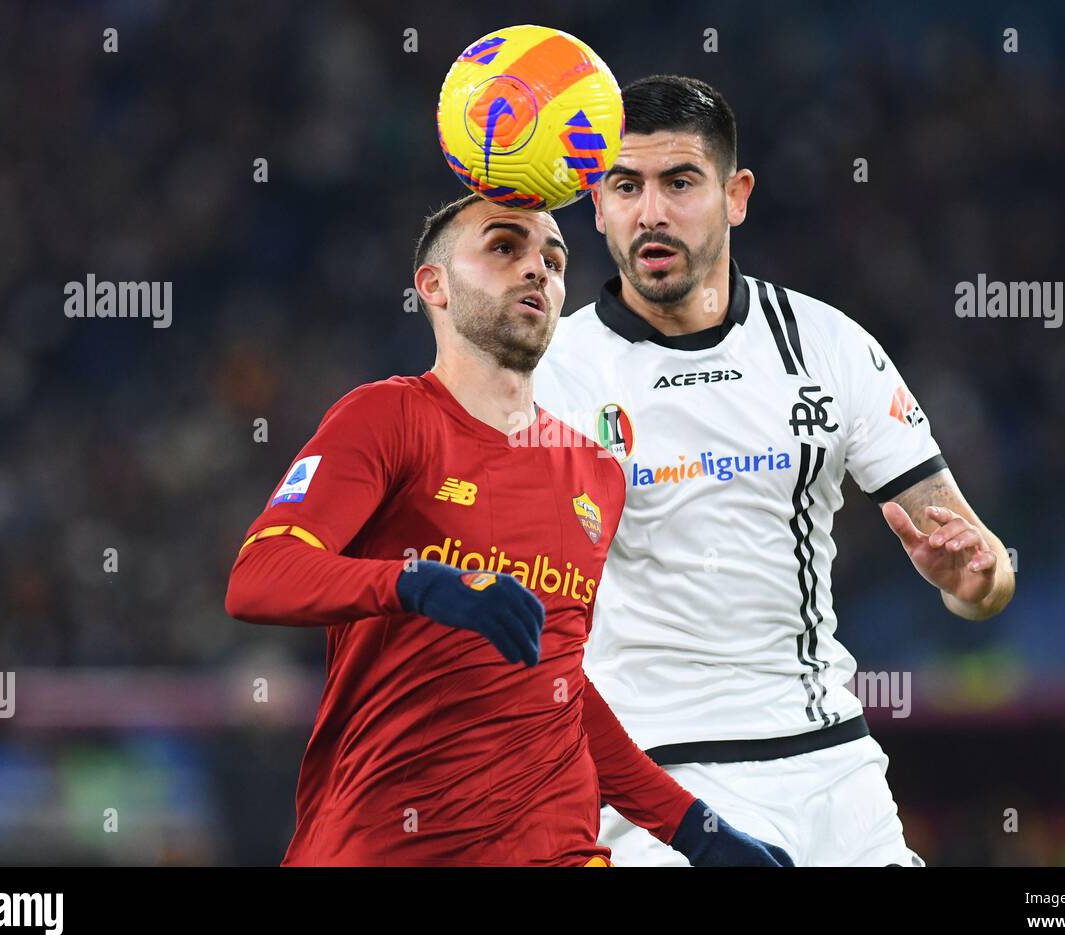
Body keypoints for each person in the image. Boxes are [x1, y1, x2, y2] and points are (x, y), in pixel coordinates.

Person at [225, 191, 793, 866]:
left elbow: (555, 685)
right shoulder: (385, 419)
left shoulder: (597, 475)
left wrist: (693, 829)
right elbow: (258, 579)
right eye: (504, 248)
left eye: (554, 260)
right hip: (384, 844)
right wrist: (418, 583)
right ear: (433, 286)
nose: (539, 271)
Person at [532, 75, 1016, 866]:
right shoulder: (553, 375)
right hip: (653, 779)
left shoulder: (828, 346)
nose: (651, 212)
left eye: (680, 182)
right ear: (597, 205)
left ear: (736, 195)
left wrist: (971, 579)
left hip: (833, 766)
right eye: (626, 186)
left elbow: (983, 577)